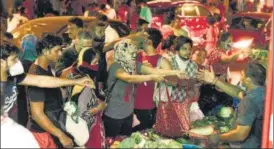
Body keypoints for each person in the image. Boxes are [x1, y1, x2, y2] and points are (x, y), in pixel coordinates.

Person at [103, 39, 185, 138]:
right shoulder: (115, 67)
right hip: (114, 115)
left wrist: (175, 72)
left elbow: (153, 71)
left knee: (125, 141)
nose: (134, 55)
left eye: (134, 52)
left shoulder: (134, 65)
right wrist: (150, 77)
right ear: (122, 53)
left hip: (128, 114)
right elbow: (129, 78)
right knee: (112, 142)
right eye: (131, 53)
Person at [0, 43, 94, 123]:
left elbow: (42, 81)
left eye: (17, 59)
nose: (18, 62)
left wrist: (76, 81)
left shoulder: (15, 77)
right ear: (1, 62)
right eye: (14, 59)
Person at [197, 62, 266, 148]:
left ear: (248, 80)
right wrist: (214, 80)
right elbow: (238, 93)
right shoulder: (262, 92)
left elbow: (240, 134)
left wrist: (218, 137)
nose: (241, 77)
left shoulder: (249, 100)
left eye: (242, 75)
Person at [27, 34, 76, 148]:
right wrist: (61, 135)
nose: (60, 54)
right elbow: (37, 114)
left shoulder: (46, 67)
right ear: (45, 51)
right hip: (43, 133)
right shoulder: (36, 75)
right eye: (57, 50)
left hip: (53, 126)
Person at [133, 28, 172, 132]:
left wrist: (154, 71)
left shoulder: (162, 61)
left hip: (148, 108)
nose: (138, 39)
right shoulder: (134, 55)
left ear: (149, 42)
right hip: (129, 107)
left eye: (142, 37)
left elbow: (173, 81)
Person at [70, 47, 106, 148]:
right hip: (86, 134)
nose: (97, 65)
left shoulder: (85, 77)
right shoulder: (83, 85)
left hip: (92, 128)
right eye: (95, 62)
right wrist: (98, 108)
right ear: (86, 63)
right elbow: (80, 115)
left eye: (98, 62)